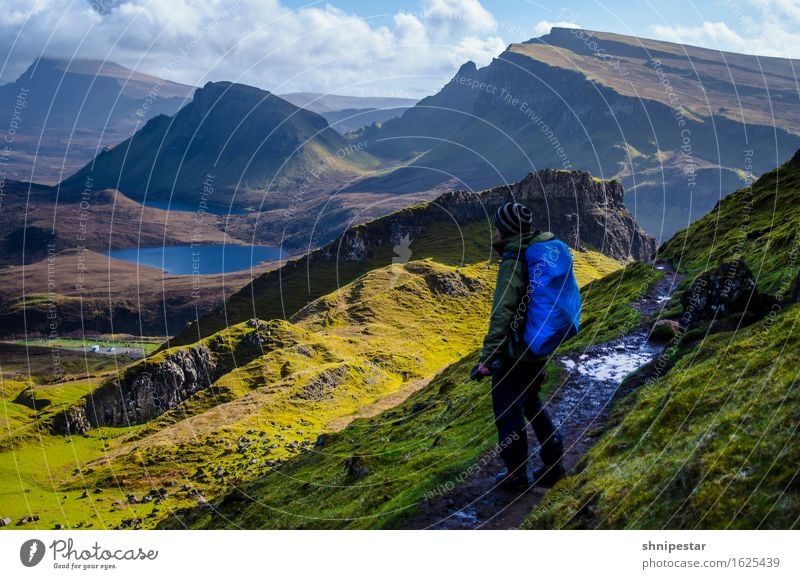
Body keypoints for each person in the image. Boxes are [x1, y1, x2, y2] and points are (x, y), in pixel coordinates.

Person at [473, 201, 566, 491]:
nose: (495, 231)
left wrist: (487, 360)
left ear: (505, 229)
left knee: (507, 413)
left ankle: (515, 476)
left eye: (498, 226)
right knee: (531, 402)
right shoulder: (542, 249)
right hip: (540, 346)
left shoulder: (515, 259)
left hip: (516, 351)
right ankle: (554, 464)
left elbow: (503, 312)